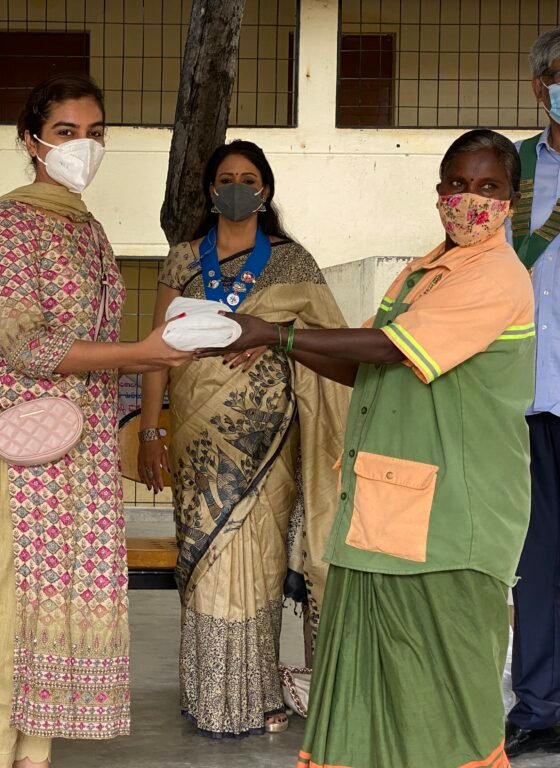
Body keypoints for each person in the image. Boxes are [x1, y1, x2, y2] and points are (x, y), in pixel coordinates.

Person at [203, 129, 532, 767]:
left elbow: (390, 349)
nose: (471, 200)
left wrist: (276, 331)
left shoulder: (495, 276)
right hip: (385, 512)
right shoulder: (423, 272)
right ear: (439, 192)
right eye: (459, 185)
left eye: (488, 187)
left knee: (445, 698)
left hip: (454, 524)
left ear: (511, 199)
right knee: (371, 693)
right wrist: (278, 343)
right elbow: (366, 367)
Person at [0, 73, 192, 768]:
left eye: (95, 132)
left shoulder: (87, 226)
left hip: (77, 455)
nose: (85, 145)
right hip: (23, 455)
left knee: (52, 611)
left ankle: (34, 756)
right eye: (66, 133)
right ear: (32, 141)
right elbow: (26, 342)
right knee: (10, 614)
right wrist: (143, 351)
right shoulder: (9, 222)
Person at [137, 140, 348, 738]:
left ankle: (256, 691)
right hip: (199, 445)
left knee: (259, 561)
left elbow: (328, 343)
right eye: (225, 177)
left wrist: (277, 332)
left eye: (248, 177)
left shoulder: (293, 263)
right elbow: (157, 352)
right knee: (204, 562)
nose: (236, 186)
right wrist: (153, 430)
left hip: (270, 443)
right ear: (210, 189)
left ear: (266, 190)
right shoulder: (183, 260)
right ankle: (211, 694)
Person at [505, 26, 560, 759]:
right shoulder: (512, 169)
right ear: (540, 83)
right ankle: (539, 707)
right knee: (533, 564)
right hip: (524, 398)